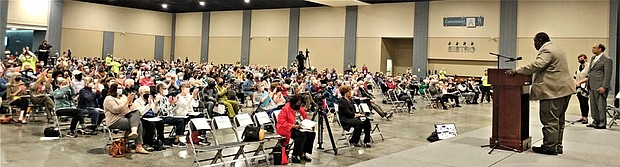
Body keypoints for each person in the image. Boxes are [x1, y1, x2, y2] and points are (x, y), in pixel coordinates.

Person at [506, 32, 575, 155]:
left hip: (553, 91)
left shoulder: (547, 50)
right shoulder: (556, 48)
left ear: (540, 40)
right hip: (564, 90)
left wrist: (517, 70)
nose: (534, 45)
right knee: (559, 120)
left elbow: (537, 65)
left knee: (549, 120)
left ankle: (549, 147)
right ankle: (557, 145)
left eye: (534, 42)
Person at [103, 83, 149, 154]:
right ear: (114, 89)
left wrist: (130, 103)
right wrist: (126, 102)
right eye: (119, 88)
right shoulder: (109, 99)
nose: (121, 89)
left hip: (125, 116)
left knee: (136, 112)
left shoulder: (123, 97)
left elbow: (130, 108)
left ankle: (134, 132)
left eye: (121, 87)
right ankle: (139, 146)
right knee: (138, 123)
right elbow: (116, 110)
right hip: (114, 120)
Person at [275, 94, 315, 164]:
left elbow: (305, 117)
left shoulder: (299, 109)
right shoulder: (285, 109)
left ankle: (303, 153)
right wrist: (293, 126)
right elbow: (281, 122)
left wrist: (310, 124)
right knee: (301, 135)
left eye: (300, 103)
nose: (299, 105)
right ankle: (295, 155)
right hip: (287, 128)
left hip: (300, 127)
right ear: (293, 103)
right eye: (298, 103)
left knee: (311, 133)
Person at [586, 43, 613, 129]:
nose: (592, 49)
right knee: (593, 105)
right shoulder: (593, 58)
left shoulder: (607, 59)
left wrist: (604, 86)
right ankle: (595, 121)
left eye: (594, 48)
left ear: (600, 49)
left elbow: (608, 74)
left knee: (601, 105)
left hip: (600, 86)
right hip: (591, 85)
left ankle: (602, 123)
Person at [573, 54, 590, 124]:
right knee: (580, 102)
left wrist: (580, 82)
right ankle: (582, 116)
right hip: (578, 87)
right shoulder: (579, 67)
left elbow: (588, 77)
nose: (580, 60)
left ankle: (586, 117)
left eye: (581, 58)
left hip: (585, 86)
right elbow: (575, 76)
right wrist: (576, 82)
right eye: (579, 59)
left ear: (585, 58)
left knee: (584, 102)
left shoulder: (588, 66)